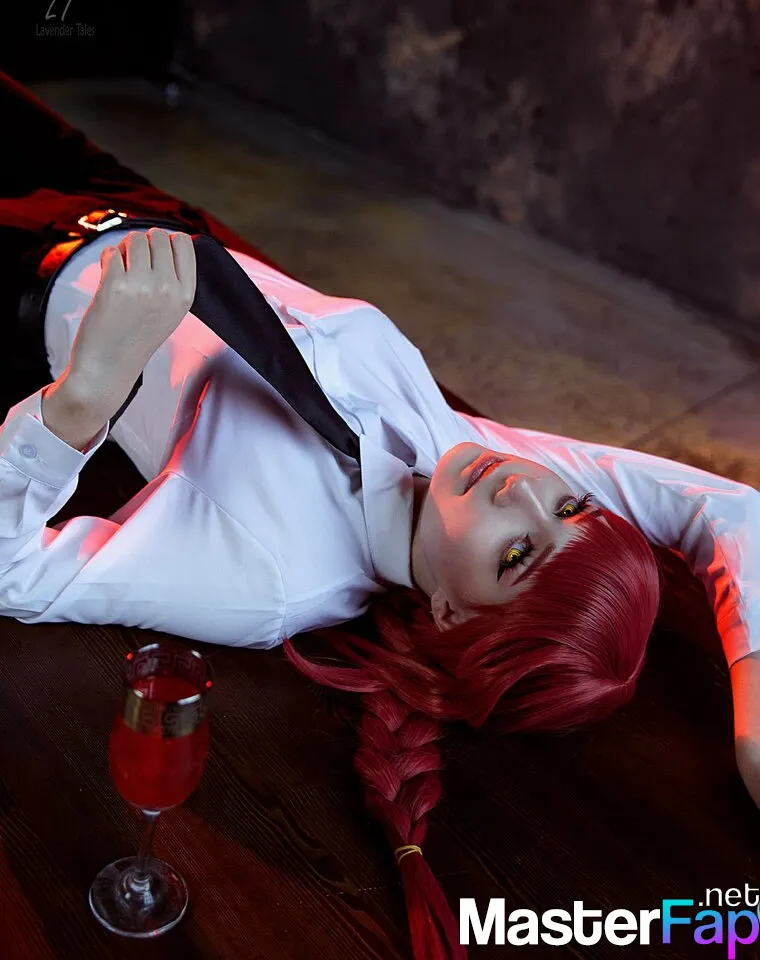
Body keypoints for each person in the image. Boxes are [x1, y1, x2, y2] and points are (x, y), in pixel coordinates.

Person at [2, 73, 760, 960]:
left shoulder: (273, 576)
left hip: (23, 278)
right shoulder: (466, 454)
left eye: (518, 553)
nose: (524, 491)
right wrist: (754, 694)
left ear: (452, 614)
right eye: (570, 503)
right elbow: (722, 504)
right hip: (135, 207)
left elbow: (17, 574)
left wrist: (86, 396)